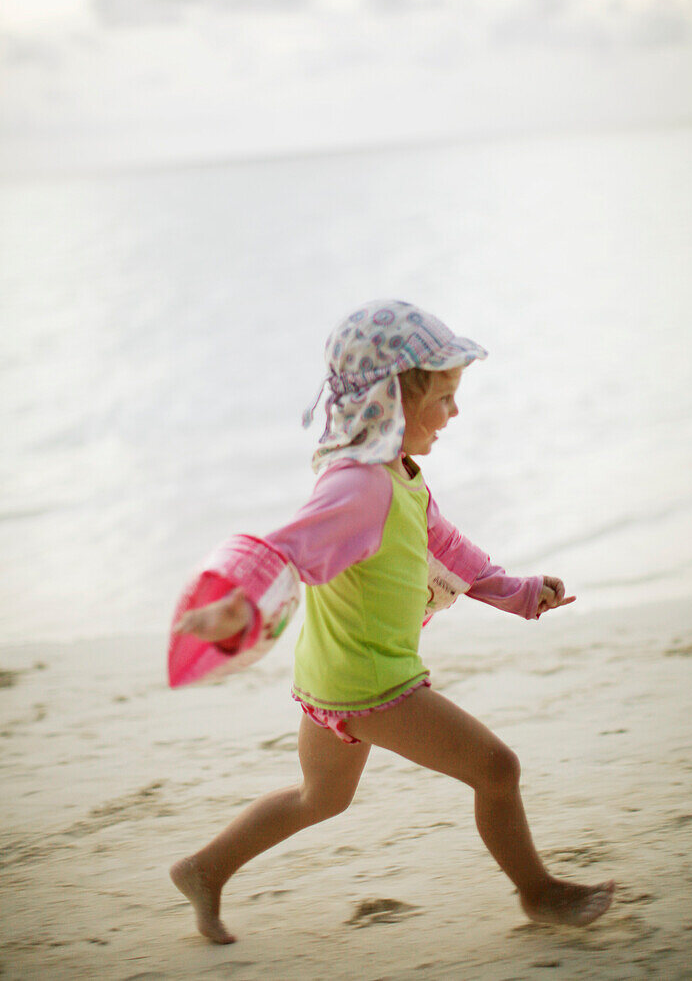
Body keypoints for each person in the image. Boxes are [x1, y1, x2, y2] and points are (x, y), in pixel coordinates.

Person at [170, 300, 615, 944]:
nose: (455, 412)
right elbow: (287, 550)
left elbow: (450, 553)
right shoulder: (358, 487)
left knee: (319, 799)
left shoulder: (398, 477)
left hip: (331, 677)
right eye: (443, 396)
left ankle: (204, 870)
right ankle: (538, 892)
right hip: (371, 680)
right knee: (497, 770)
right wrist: (236, 607)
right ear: (392, 401)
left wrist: (520, 593)